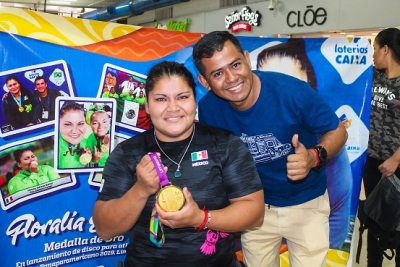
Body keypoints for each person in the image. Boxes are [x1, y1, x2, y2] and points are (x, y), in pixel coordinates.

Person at [193, 31, 348, 267]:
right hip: (253, 209)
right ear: (204, 81)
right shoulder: (209, 109)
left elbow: (339, 131)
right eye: (217, 73)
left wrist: (314, 157)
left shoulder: (292, 92)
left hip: (306, 203)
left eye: (235, 64)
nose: (231, 78)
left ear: (247, 58)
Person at [92, 61, 264, 267]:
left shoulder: (224, 144)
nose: (173, 108)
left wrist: (200, 218)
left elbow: (254, 214)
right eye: (161, 99)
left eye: (182, 97)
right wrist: (141, 189)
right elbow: (105, 228)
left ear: (194, 100)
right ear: (147, 105)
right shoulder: (127, 152)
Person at [256, 38, 353, 250]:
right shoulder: (244, 131)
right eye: (268, 83)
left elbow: (335, 224)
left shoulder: (329, 146)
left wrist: (313, 157)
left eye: (291, 82)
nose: (281, 92)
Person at [363, 27, 400, 267]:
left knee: (396, 223)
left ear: (386, 49)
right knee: (372, 219)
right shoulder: (372, 76)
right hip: (372, 162)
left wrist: (397, 159)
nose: (373, 55)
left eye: (375, 49)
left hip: (395, 164)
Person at [58, 101, 92, 169]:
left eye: (80, 124)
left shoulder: (86, 143)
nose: (75, 131)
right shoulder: (54, 145)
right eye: (68, 124)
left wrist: (84, 159)